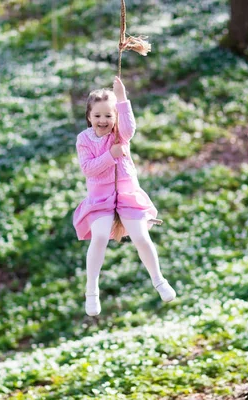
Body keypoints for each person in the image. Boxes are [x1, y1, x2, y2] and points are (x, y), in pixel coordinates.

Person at [73, 76, 177, 316]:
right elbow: (88, 168)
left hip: (126, 190)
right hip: (100, 197)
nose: (103, 120)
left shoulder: (121, 133)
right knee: (99, 237)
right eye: (97, 115)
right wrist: (111, 155)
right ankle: (92, 290)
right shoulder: (83, 139)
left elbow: (130, 127)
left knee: (141, 236)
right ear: (89, 116)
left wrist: (122, 98)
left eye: (108, 116)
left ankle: (158, 279)